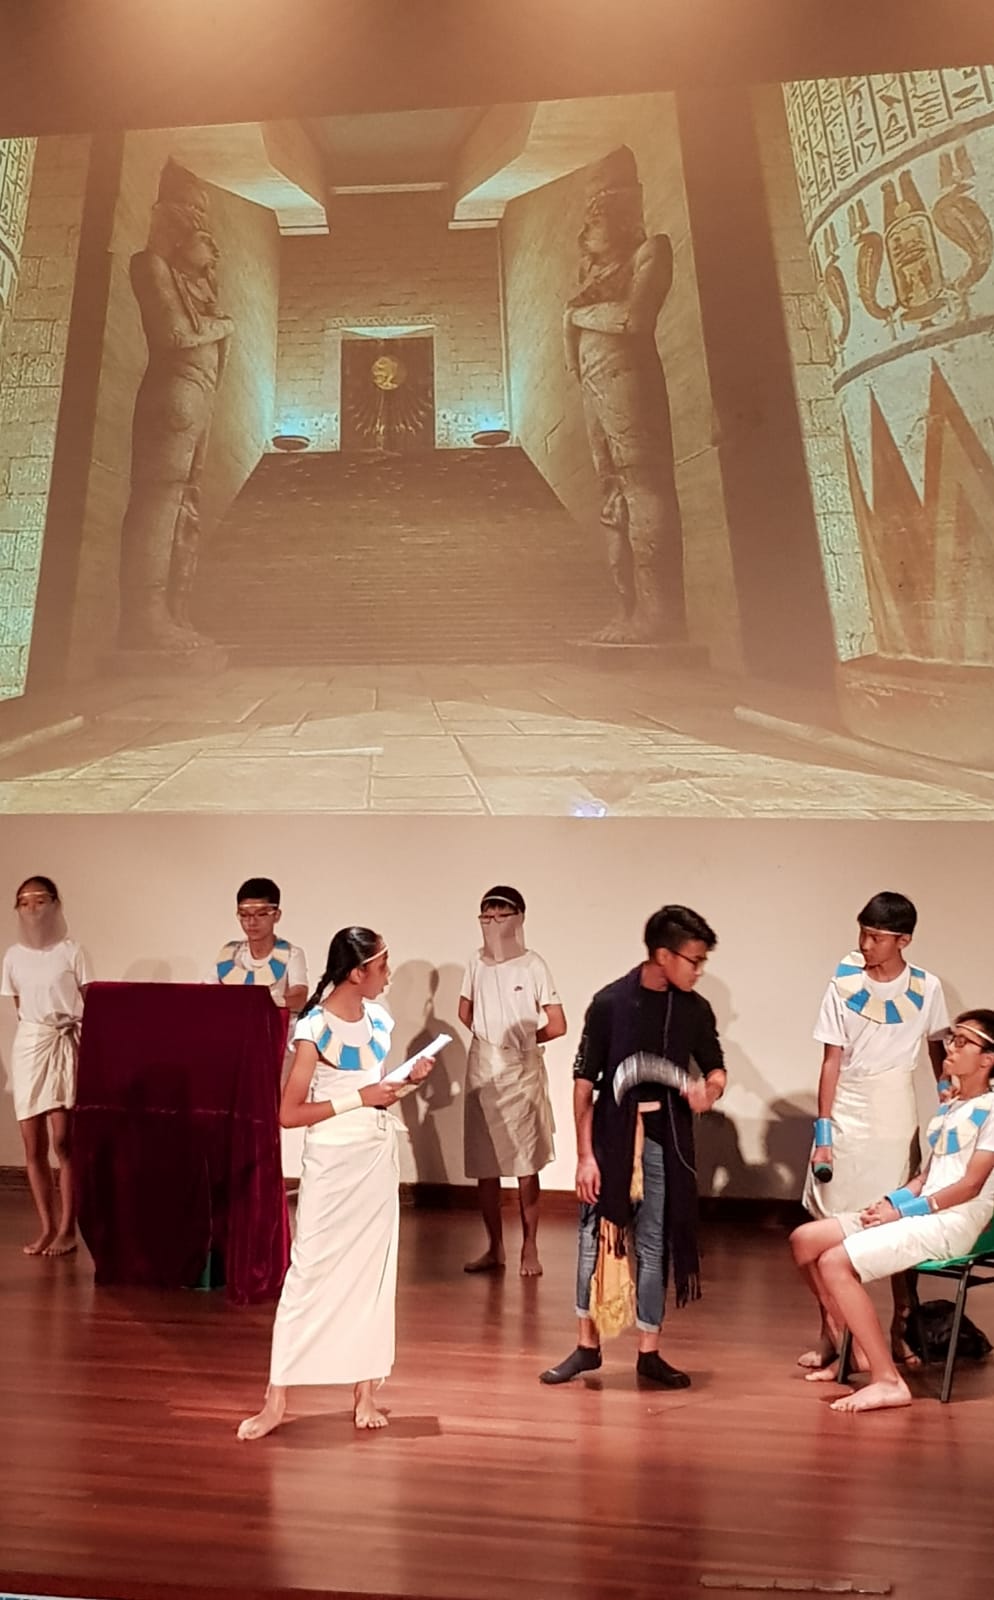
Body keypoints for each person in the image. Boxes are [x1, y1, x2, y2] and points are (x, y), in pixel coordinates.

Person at [237, 927, 434, 1441]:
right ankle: (276, 1399)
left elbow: (375, 1093)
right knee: (308, 1274)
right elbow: (289, 1112)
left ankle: (365, 1391)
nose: (388, 975)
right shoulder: (314, 1028)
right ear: (357, 973)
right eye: (382, 966)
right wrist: (361, 1098)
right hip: (333, 1162)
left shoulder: (378, 1020)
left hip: (375, 1156)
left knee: (372, 1275)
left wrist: (406, 1082)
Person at [540, 905, 726, 1389]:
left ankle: (649, 1350)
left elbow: (714, 1065)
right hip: (612, 1136)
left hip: (666, 1138)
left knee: (654, 1242)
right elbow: (585, 1082)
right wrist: (585, 1156)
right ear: (664, 955)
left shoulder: (694, 1009)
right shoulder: (610, 1003)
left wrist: (710, 1089)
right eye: (693, 960)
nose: (698, 970)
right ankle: (587, 1345)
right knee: (594, 1238)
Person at [790, 1010, 994, 1413]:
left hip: (956, 1219)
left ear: (988, 1059)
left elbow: (970, 1185)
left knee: (835, 1261)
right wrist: (891, 1202)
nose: (950, 1048)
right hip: (924, 1210)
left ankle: (887, 1379)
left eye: (962, 1042)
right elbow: (927, 1176)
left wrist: (904, 1213)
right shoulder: (952, 1106)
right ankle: (849, 1348)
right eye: (951, 1039)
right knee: (805, 1239)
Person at [799, 891, 948, 1371]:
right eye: (862, 933)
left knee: (895, 1221)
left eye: (876, 937)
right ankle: (833, 1335)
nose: (865, 945)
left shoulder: (927, 988)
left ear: (902, 941)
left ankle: (901, 1327)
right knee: (829, 1222)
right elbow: (831, 1060)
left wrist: (951, 1100)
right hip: (848, 1109)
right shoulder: (843, 984)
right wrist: (824, 1134)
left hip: (893, 1111)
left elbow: (938, 1050)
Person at [459, 885, 567, 1278]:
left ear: (518, 918)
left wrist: (524, 1040)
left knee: (525, 1161)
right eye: (486, 916)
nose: (493, 924)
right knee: (485, 1163)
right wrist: (491, 1042)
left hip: (520, 1072)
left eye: (501, 916)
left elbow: (558, 1023)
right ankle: (494, 1246)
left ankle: (530, 1245)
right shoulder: (476, 962)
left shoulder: (533, 965)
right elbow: (465, 1011)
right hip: (483, 1067)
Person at [1, 876, 93, 1257]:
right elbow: (20, 1006)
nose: (33, 908)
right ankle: (46, 1227)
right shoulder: (13, 956)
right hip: (30, 1046)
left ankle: (68, 1229)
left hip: (64, 1043)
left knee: (63, 1141)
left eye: (40, 900)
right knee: (33, 1143)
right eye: (24, 902)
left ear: (55, 904)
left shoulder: (73, 951)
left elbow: (90, 1001)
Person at [207, 878, 308, 1017]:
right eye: (244, 915)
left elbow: (299, 998)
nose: (251, 922)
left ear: (276, 915)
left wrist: (271, 1002)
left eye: (261, 914)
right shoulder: (231, 953)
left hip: (273, 1026)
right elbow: (205, 992)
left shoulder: (292, 954)